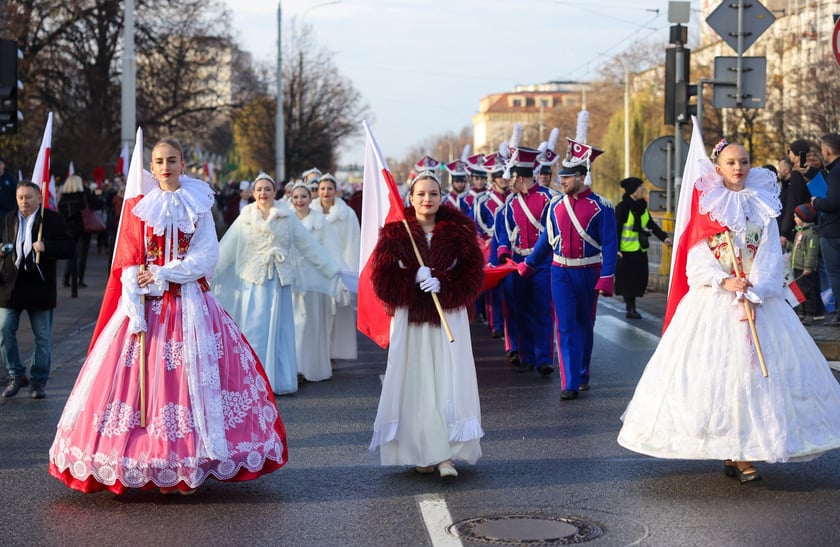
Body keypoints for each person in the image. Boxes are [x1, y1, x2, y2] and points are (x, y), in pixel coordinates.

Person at [49, 138, 287, 494]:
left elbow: (208, 255)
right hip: (149, 308)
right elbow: (128, 257)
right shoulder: (143, 204)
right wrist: (136, 283)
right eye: (158, 161)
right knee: (140, 386)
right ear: (152, 165)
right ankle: (150, 462)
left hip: (190, 302)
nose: (165, 167)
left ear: (183, 164)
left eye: (171, 160)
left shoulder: (199, 202)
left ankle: (187, 463)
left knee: (191, 383)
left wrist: (166, 272)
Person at [618, 136, 840, 483]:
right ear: (718, 167)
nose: (739, 168)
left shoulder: (762, 203)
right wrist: (725, 282)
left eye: (745, 161)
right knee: (719, 377)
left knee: (757, 377)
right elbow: (696, 261)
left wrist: (757, 286)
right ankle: (732, 450)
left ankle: (745, 449)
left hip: (757, 302)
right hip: (716, 305)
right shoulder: (708, 207)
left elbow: (769, 254)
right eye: (732, 162)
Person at [369, 170, 484, 479]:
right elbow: (381, 280)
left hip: (448, 317)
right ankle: (422, 449)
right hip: (412, 321)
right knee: (418, 383)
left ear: (441, 197)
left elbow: (474, 276)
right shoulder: (396, 232)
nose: (427, 199)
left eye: (433, 193)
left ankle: (446, 455)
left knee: (448, 381)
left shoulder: (459, 230)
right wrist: (412, 278)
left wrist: (443, 283)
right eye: (421, 193)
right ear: (411, 197)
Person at [215, 173, 340, 394]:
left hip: (279, 282)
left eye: (267, 189)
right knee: (254, 331)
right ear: (253, 193)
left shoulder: (287, 218)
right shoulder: (245, 217)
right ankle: (253, 380)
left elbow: (309, 247)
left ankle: (279, 380)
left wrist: (332, 269)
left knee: (281, 332)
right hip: (253, 282)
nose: (263, 193)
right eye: (259, 189)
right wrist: (205, 273)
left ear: (275, 193)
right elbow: (226, 251)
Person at [521, 140, 617, 400]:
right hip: (560, 272)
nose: (561, 181)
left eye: (567, 177)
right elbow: (546, 240)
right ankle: (570, 382)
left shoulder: (602, 207)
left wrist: (607, 277)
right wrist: (528, 265)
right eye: (561, 177)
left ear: (582, 177)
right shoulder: (554, 206)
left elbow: (610, 244)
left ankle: (582, 373)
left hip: (589, 271)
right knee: (564, 326)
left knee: (585, 325)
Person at [0, 181, 74, 398]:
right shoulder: (6, 220)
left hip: (39, 286)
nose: (24, 201)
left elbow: (70, 247)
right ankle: (16, 374)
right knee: (4, 331)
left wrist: (46, 247)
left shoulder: (51, 220)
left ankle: (38, 381)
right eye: (21, 197)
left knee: (41, 337)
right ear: (16, 199)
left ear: (39, 198)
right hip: (10, 286)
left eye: (29, 197)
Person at [496, 145, 555, 375]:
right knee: (522, 310)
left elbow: (550, 233)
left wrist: (533, 259)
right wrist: (503, 252)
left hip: (542, 262)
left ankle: (544, 359)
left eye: (513, 178)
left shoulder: (549, 198)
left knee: (542, 310)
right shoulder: (510, 203)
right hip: (518, 260)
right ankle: (527, 356)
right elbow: (504, 231)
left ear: (521, 178)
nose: (509, 182)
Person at [289, 182, 344, 382]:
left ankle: (313, 368)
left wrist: (337, 274)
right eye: (295, 197)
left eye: (303, 196)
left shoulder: (320, 221)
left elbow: (332, 250)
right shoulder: (286, 220)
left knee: (312, 324)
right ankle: (294, 368)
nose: (299, 201)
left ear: (310, 198)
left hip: (315, 281)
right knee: (294, 326)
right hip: (291, 282)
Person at [311, 172, 360, 361]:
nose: (325, 192)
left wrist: (349, 272)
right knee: (317, 315)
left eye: (329, 188)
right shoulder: (310, 212)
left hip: (339, 270)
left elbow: (352, 243)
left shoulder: (347, 214)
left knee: (337, 313)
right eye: (322, 188)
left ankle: (333, 353)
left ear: (336, 191)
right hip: (317, 270)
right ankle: (318, 354)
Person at [614, 177, 671, 319]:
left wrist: (664, 237)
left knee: (640, 278)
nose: (642, 190)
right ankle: (630, 308)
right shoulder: (622, 207)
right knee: (628, 281)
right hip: (625, 251)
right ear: (633, 190)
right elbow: (616, 229)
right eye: (640, 187)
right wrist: (616, 249)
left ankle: (632, 306)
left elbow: (651, 224)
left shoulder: (642, 206)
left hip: (640, 249)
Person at [812, 133, 840, 326]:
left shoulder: (836, 173)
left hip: (832, 231)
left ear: (827, 150)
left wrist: (816, 202)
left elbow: (833, 201)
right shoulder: (833, 171)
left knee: (835, 274)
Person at [57, 174, 101, 289]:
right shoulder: (84, 195)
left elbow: (61, 214)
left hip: (68, 229)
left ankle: (66, 279)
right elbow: (97, 205)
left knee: (70, 254)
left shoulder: (63, 198)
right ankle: (79, 279)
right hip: (83, 228)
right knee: (82, 255)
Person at [789, 203, 820, 324]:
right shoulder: (799, 232)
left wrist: (808, 267)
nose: (794, 219)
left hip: (805, 269)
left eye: (796, 217)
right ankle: (801, 311)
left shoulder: (811, 234)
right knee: (798, 290)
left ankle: (810, 313)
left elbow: (812, 251)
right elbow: (796, 247)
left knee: (808, 291)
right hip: (797, 267)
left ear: (803, 218)